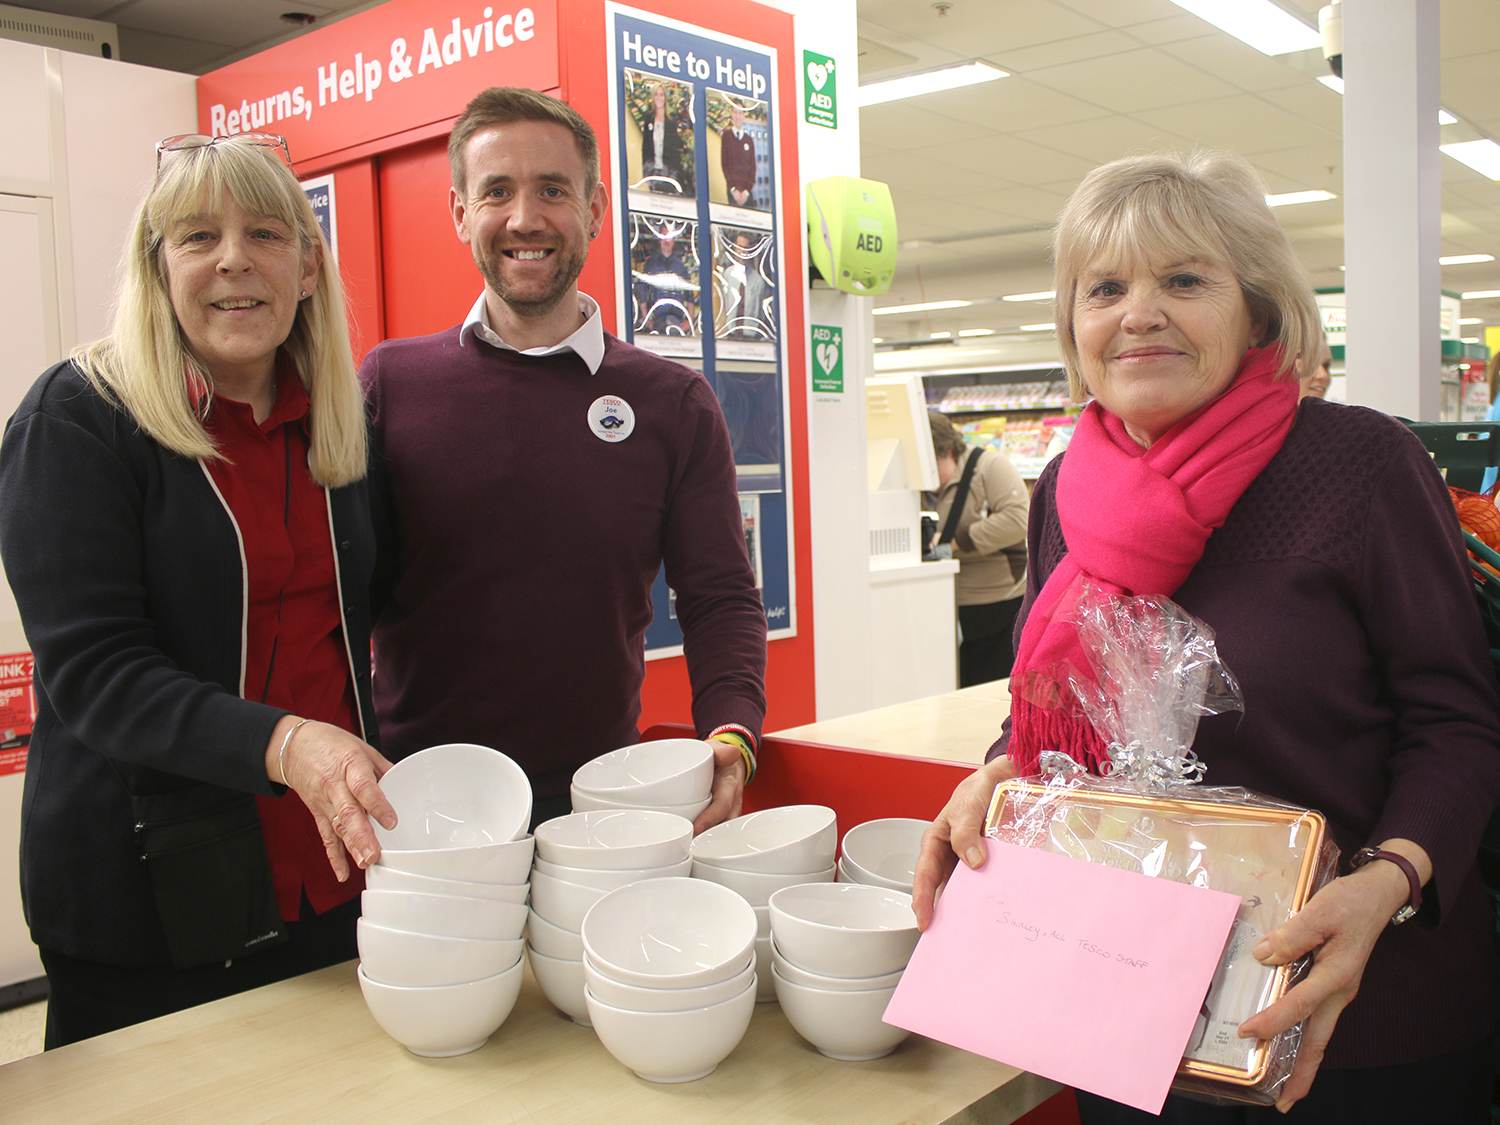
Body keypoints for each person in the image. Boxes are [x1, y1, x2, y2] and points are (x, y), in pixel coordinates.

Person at [912, 150, 1500, 1123]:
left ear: (1257, 312)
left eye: (1183, 280)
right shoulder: (1065, 487)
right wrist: (998, 770)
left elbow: (1459, 722)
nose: (1138, 311)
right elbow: (1050, 701)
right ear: (1075, 325)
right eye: (1105, 287)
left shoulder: (1357, 465)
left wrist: (1388, 881)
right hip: (1132, 1008)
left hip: (1365, 1014)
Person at [0, 133, 396, 1049]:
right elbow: (97, 672)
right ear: (157, 265)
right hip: (148, 898)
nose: (233, 261)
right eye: (196, 237)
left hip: (334, 870)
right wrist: (287, 743)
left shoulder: (338, 423)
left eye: (265, 233)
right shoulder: (78, 418)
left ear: (307, 266)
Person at [361, 87, 767, 834]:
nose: (525, 218)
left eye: (552, 189)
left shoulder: (672, 403)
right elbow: (343, 603)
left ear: (595, 209)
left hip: (603, 806)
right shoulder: (389, 385)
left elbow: (719, 597)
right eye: (497, 192)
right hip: (416, 806)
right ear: (460, 214)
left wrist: (732, 731)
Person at [925, 411, 1029, 685]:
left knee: (990, 686)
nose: (929, 478)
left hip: (998, 600)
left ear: (948, 450)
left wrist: (955, 542)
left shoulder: (988, 466)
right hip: (939, 602)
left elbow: (1017, 520)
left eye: (933, 466)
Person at [636, 230, 695, 335]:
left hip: (678, 322)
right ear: (659, 239)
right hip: (658, 322)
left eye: (670, 236)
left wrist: (689, 321)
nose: (667, 240)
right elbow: (642, 291)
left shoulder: (680, 266)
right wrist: (646, 320)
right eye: (664, 235)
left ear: (674, 240)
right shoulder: (651, 264)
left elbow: (689, 294)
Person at [639, 82, 690, 196]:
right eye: (656, 94)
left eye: (661, 94)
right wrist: (645, 172)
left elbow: (674, 150)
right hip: (653, 169)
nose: (659, 97)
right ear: (653, 97)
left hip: (668, 171)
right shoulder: (648, 118)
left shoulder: (671, 121)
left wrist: (678, 177)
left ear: (665, 98)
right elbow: (645, 146)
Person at [720, 101, 756, 208]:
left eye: (740, 113)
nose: (738, 116)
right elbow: (724, 164)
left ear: (744, 116)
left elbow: (753, 168)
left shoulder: (749, 140)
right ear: (731, 114)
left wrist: (746, 192)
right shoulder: (726, 136)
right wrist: (732, 189)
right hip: (733, 193)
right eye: (735, 112)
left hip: (746, 193)